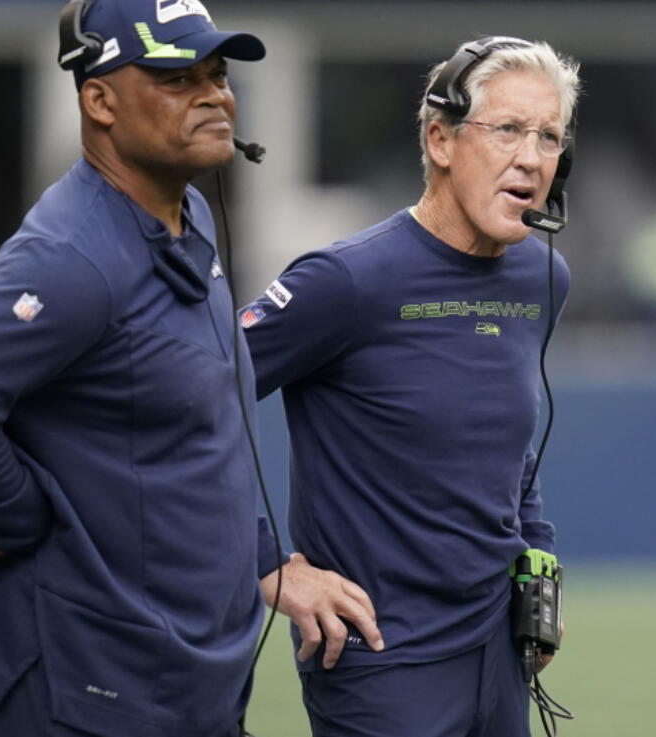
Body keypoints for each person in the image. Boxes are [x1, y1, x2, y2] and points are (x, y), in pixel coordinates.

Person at [0, 0, 280, 737]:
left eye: (217, 73)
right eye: (175, 77)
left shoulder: (185, 211)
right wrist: (27, 515)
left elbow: (201, 423)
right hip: (90, 686)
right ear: (99, 100)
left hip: (170, 679)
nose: (215, 95)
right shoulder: (76, 258)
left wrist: (264, 559)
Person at [245, 37, 579, 737]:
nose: (531, 157)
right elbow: (181, 406)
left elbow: (510, 451)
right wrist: (265, 565)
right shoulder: (344, 282)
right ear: (441, 139)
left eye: (549, 136)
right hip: (381, 658)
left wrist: (537, 557)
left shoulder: (542, 278)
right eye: (509, 129)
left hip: (497, 652)